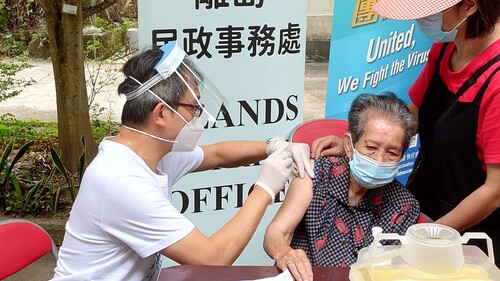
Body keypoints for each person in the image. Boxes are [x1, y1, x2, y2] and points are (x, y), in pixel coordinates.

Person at [51, 41, 314, 280]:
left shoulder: (150, 153)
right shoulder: (122, 181)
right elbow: (213, 259)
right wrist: (266, 188)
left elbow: (217, 154)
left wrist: (274, 146)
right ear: (161, 114)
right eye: (194, 109)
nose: (198, 119)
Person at [371, 0, 500, 265]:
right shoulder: (444, 49)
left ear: (470, 6)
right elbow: (412, 117)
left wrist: (429, 236)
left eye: (428, 12)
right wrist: (362, 143)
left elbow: (495, 191)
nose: (420, 21)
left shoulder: (496, 81)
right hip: (428, 206)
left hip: (475, 236)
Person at [263, 93, 420, 281]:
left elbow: (390, 271)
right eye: (371, 147)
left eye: (392, 152)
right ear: (348, 144)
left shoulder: (404, 206)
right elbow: (276, 232)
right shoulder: (315, 174)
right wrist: (284, 254)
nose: (379, 160)